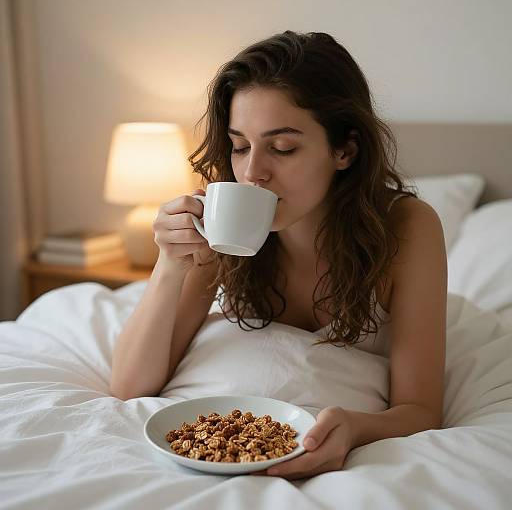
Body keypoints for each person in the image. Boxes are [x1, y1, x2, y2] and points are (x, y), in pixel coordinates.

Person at [110, 30, 447, 480]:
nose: (253, 173)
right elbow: (131, 386)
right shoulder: (220, 220)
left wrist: (356, 428)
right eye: (240, 146)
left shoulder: (407, 228)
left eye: (282, 148)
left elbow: (420, 409)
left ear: (344, 149)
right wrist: (169, 265)